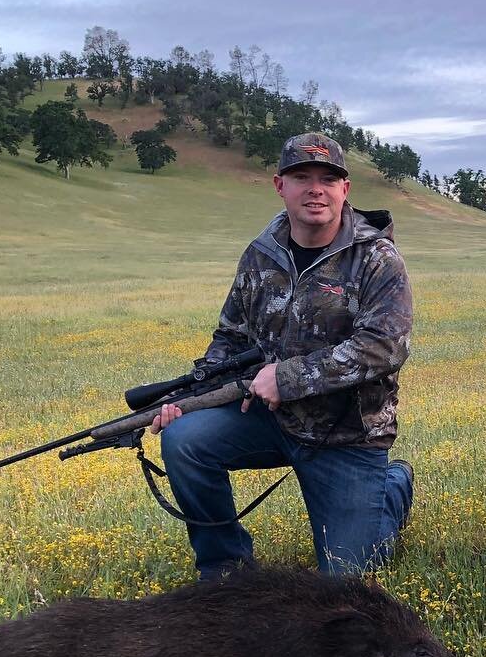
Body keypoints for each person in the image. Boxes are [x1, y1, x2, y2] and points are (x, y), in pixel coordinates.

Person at [149, 133, 414, 580]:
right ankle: (226, 569)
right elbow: (230, 339)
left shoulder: (377, 258)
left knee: (346, 581)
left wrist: (287, 378)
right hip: (268, 420)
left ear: (344, 189)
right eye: (302, 177)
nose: (316, 188)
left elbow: (385, 347)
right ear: (280, 186)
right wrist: (190, 397)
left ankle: (392, 490)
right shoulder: (260, 255)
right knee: (184, 441)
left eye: (328, 178)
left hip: (346, 434)